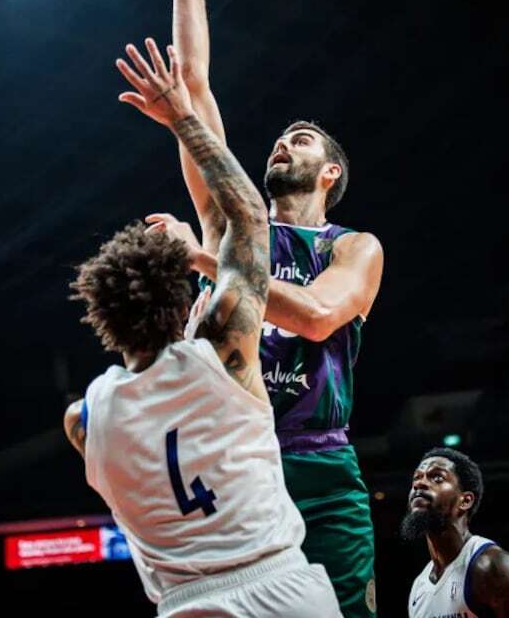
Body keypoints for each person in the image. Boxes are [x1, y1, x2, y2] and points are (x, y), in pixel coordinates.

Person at [138, 0, 385, 618]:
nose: (284, 141)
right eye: (280, 137)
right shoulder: (231, 223)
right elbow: (195, 88)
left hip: (320, 460)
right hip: (238, 455)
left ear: (330, 173)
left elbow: (312, 318)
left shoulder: (352, 246)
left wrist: (205, 260)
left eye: (302, 140)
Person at [63, 38, 340, 617]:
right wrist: (183, 116)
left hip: (185, 603)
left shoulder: (84, 418)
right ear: (182, 290)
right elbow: (245, 218)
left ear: (102, 316)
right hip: (278, 583)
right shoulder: (224, 354)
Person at [403, 447, 509, 618]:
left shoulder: (493, 566)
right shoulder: (419, 586)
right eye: (416, 478)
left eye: (437, 477)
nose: (419, 484)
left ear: (465, 500)